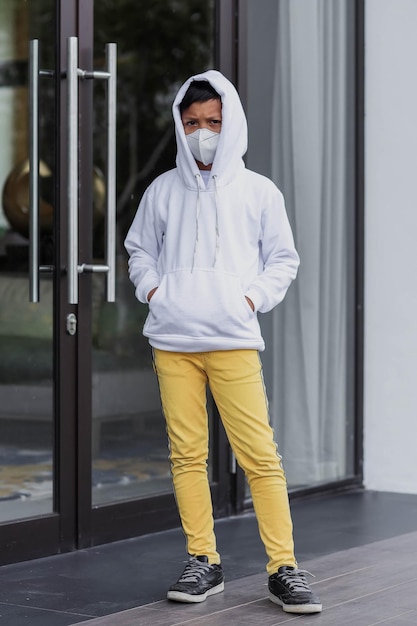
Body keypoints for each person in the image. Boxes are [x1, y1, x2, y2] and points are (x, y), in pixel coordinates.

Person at [124, 70, 322, 615]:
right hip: (172, 339)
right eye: (191, 123)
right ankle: (202, 561)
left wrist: (250, 300)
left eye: (213, 122)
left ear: (230, 122)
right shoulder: (163, 190)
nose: (202, 133)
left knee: (259, 456)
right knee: (187, 455)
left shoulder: (259, 191)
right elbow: (138, 249)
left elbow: (284, 258)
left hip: (233, 338)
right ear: (179, 126)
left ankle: (284, 567)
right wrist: (154, 289)